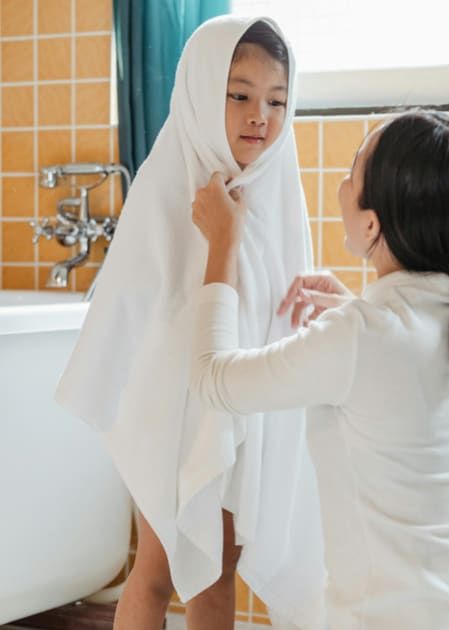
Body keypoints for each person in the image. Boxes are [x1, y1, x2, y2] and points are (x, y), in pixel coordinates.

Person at [188, 110, 449, 629]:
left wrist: (223, 243)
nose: (342, 187)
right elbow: (416, 375)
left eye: (351, 175)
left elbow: (213, 380)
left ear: (371, 223)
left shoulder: (360, 336)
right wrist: (353, 310)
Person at [55, 16, 325, 629]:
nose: (261, 115)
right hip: (172, 409)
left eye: (277, 101)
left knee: (218, 567)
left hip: (238, 400)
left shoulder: (277, 184)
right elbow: (128, 294)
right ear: (204, 93)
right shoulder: (168, 179)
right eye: (240, 95)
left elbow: (282, 290)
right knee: (157, 567)